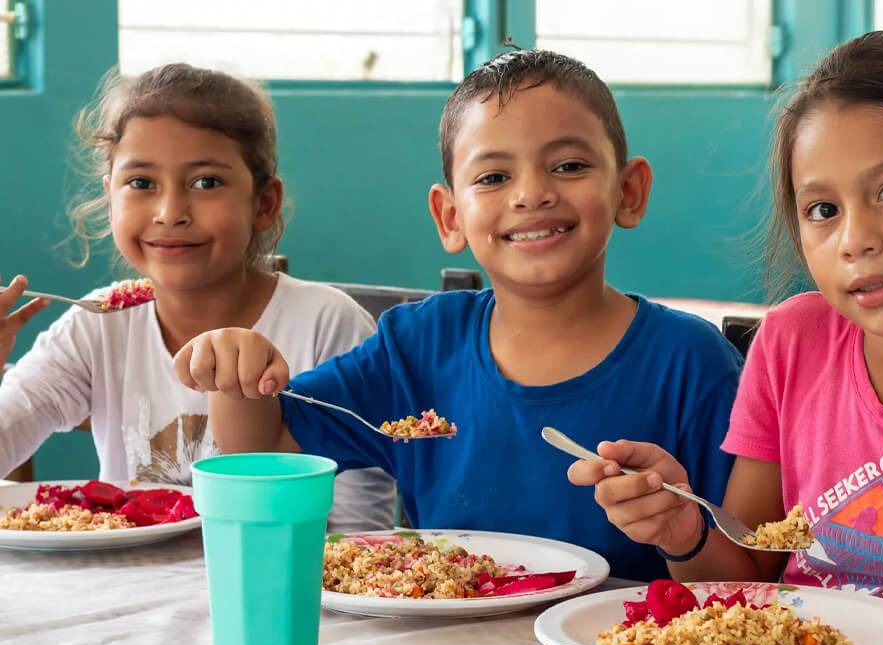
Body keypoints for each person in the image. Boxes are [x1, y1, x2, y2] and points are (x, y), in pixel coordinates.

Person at [569, 31, 883, 645]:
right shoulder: (793, 344)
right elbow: (747, 588)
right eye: (823, 209)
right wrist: (682, 527)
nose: (855, 238)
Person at [172, 49, 742, 581]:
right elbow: (270, 448)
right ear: (450, 217)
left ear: (628, 191)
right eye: (494, 177)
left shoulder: (691, 364)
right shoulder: (417, 346)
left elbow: (749, 581)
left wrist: (681, 534)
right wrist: (236, 377)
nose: (531, 194)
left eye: (568, 165)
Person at [0, 63, 395, 532]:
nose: (170, 213)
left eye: (206, 182)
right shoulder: (96, 325)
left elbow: (360, 532)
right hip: (121, 594)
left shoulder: (327, 326)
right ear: (110, 198)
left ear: (264, 203)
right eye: (141, 183)